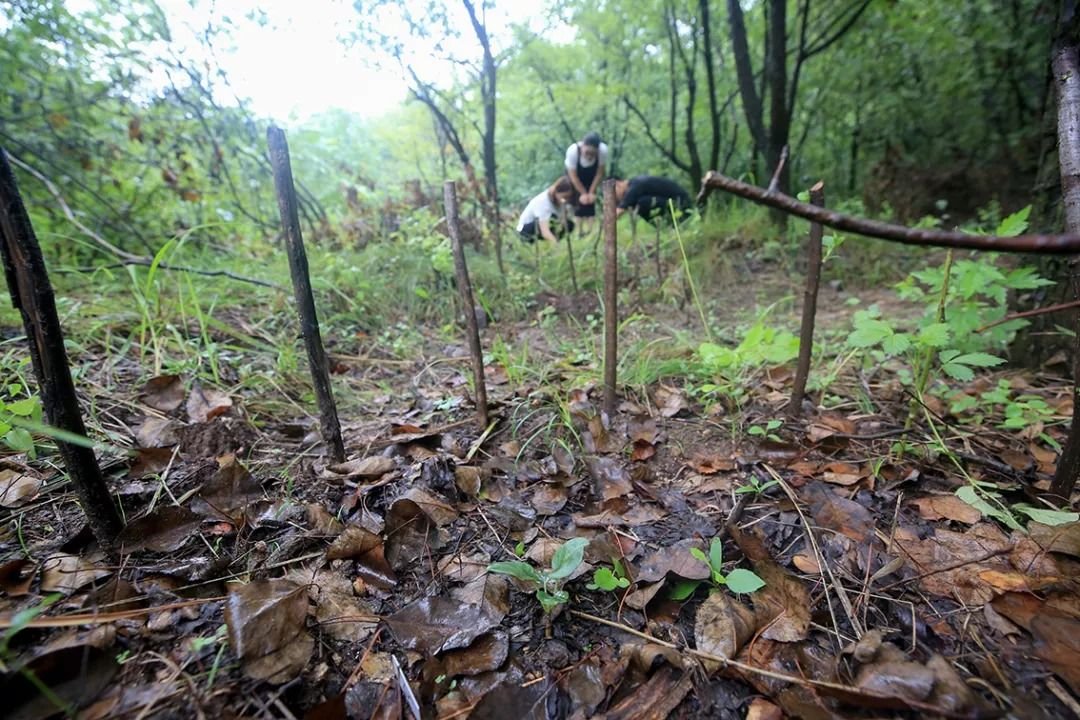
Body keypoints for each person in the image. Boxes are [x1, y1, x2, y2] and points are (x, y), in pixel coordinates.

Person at [564, 132, 609, 232]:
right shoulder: (573, 151)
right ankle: (578, 230)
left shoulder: (603, 151)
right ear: (582, 146)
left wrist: (591, 192)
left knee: (590, 201)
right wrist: (583, 193)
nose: (589, 156)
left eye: (593, 153)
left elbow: (599, 173)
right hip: (575, 176)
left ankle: (590, 230)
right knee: (578, 200)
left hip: (591, 175)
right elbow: (573, 176)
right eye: (587, 152)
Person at [516, 177, 579, 242]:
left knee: (569, 224)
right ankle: (553, 243)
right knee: (551, 219)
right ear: (556, 192)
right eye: (564, 197)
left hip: (545, 226)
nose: (566, 200)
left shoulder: (560, 202)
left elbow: (562, 222)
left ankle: (552, 241)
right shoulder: (543, 202)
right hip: (525, 230)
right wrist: (558, 247)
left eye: (569, 197)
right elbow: (544, 231)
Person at [613, 175, 694, 224]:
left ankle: (673, 224)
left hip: (682, 207)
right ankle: (667, 226)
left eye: (614, 193)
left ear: (617, 184)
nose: (615, 198)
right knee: (639, 204)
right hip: (674, 207)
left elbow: (619, 211)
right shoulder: (636, 184)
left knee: (642, 204)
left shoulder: (636, 185)